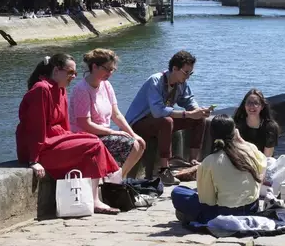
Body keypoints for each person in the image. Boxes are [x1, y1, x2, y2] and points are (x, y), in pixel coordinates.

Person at [16, 53, 121, 215]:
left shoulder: (60, 88)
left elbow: (65, 126)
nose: (74, 77)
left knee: (92, 140)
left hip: (55, 140)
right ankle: (95, 200)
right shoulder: (41, 90)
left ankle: (94, 197)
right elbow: (35, 128)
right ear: (57, 70)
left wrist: (72, 141)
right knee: (92, 143)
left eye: (75, 73)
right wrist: (33, 160)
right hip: (40, 147)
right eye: (70, 72)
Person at [125, 50, 212, 185]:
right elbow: (158, 112)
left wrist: (198, 111)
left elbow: (189, 100)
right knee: (167, 121)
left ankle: (193, 161)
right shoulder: (156, 80)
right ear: (174, 68)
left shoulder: (181, 83)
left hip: (157, 122)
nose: (188, 77)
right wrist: (188, 114)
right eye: (186, 72)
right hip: (138, 124)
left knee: (199, 119)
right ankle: (164, 169)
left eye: (190, 73)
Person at [171, 114, 266, 223]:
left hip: (224, 213)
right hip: (251, 208)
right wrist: (241, 140)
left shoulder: (209, 162)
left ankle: (194, 216)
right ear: (234, 132)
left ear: (212, 134)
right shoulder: (250, 150)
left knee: (178, 192)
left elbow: (208, 201)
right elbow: (263, 163)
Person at [69, 49, 145, 178]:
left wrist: (133, 134)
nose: (110, 73)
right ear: (94, 67)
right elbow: (84, 123)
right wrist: (114, 132)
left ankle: (118, 178)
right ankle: (117, 180)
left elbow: (116, 114)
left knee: (140, 143)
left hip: (102, 134)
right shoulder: (81, 89)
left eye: (112, 70)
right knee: (132, 145)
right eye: (107, 69)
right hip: (86, 137)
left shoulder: (106, 85)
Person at [233, 88, 280, 157]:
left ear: (262, 106)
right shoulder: (236, 125)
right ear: (244, 105)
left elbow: (267, 157)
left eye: (256, 103)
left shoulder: (270, 127)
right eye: (249, 103)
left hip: (262, 164)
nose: (252, 106)